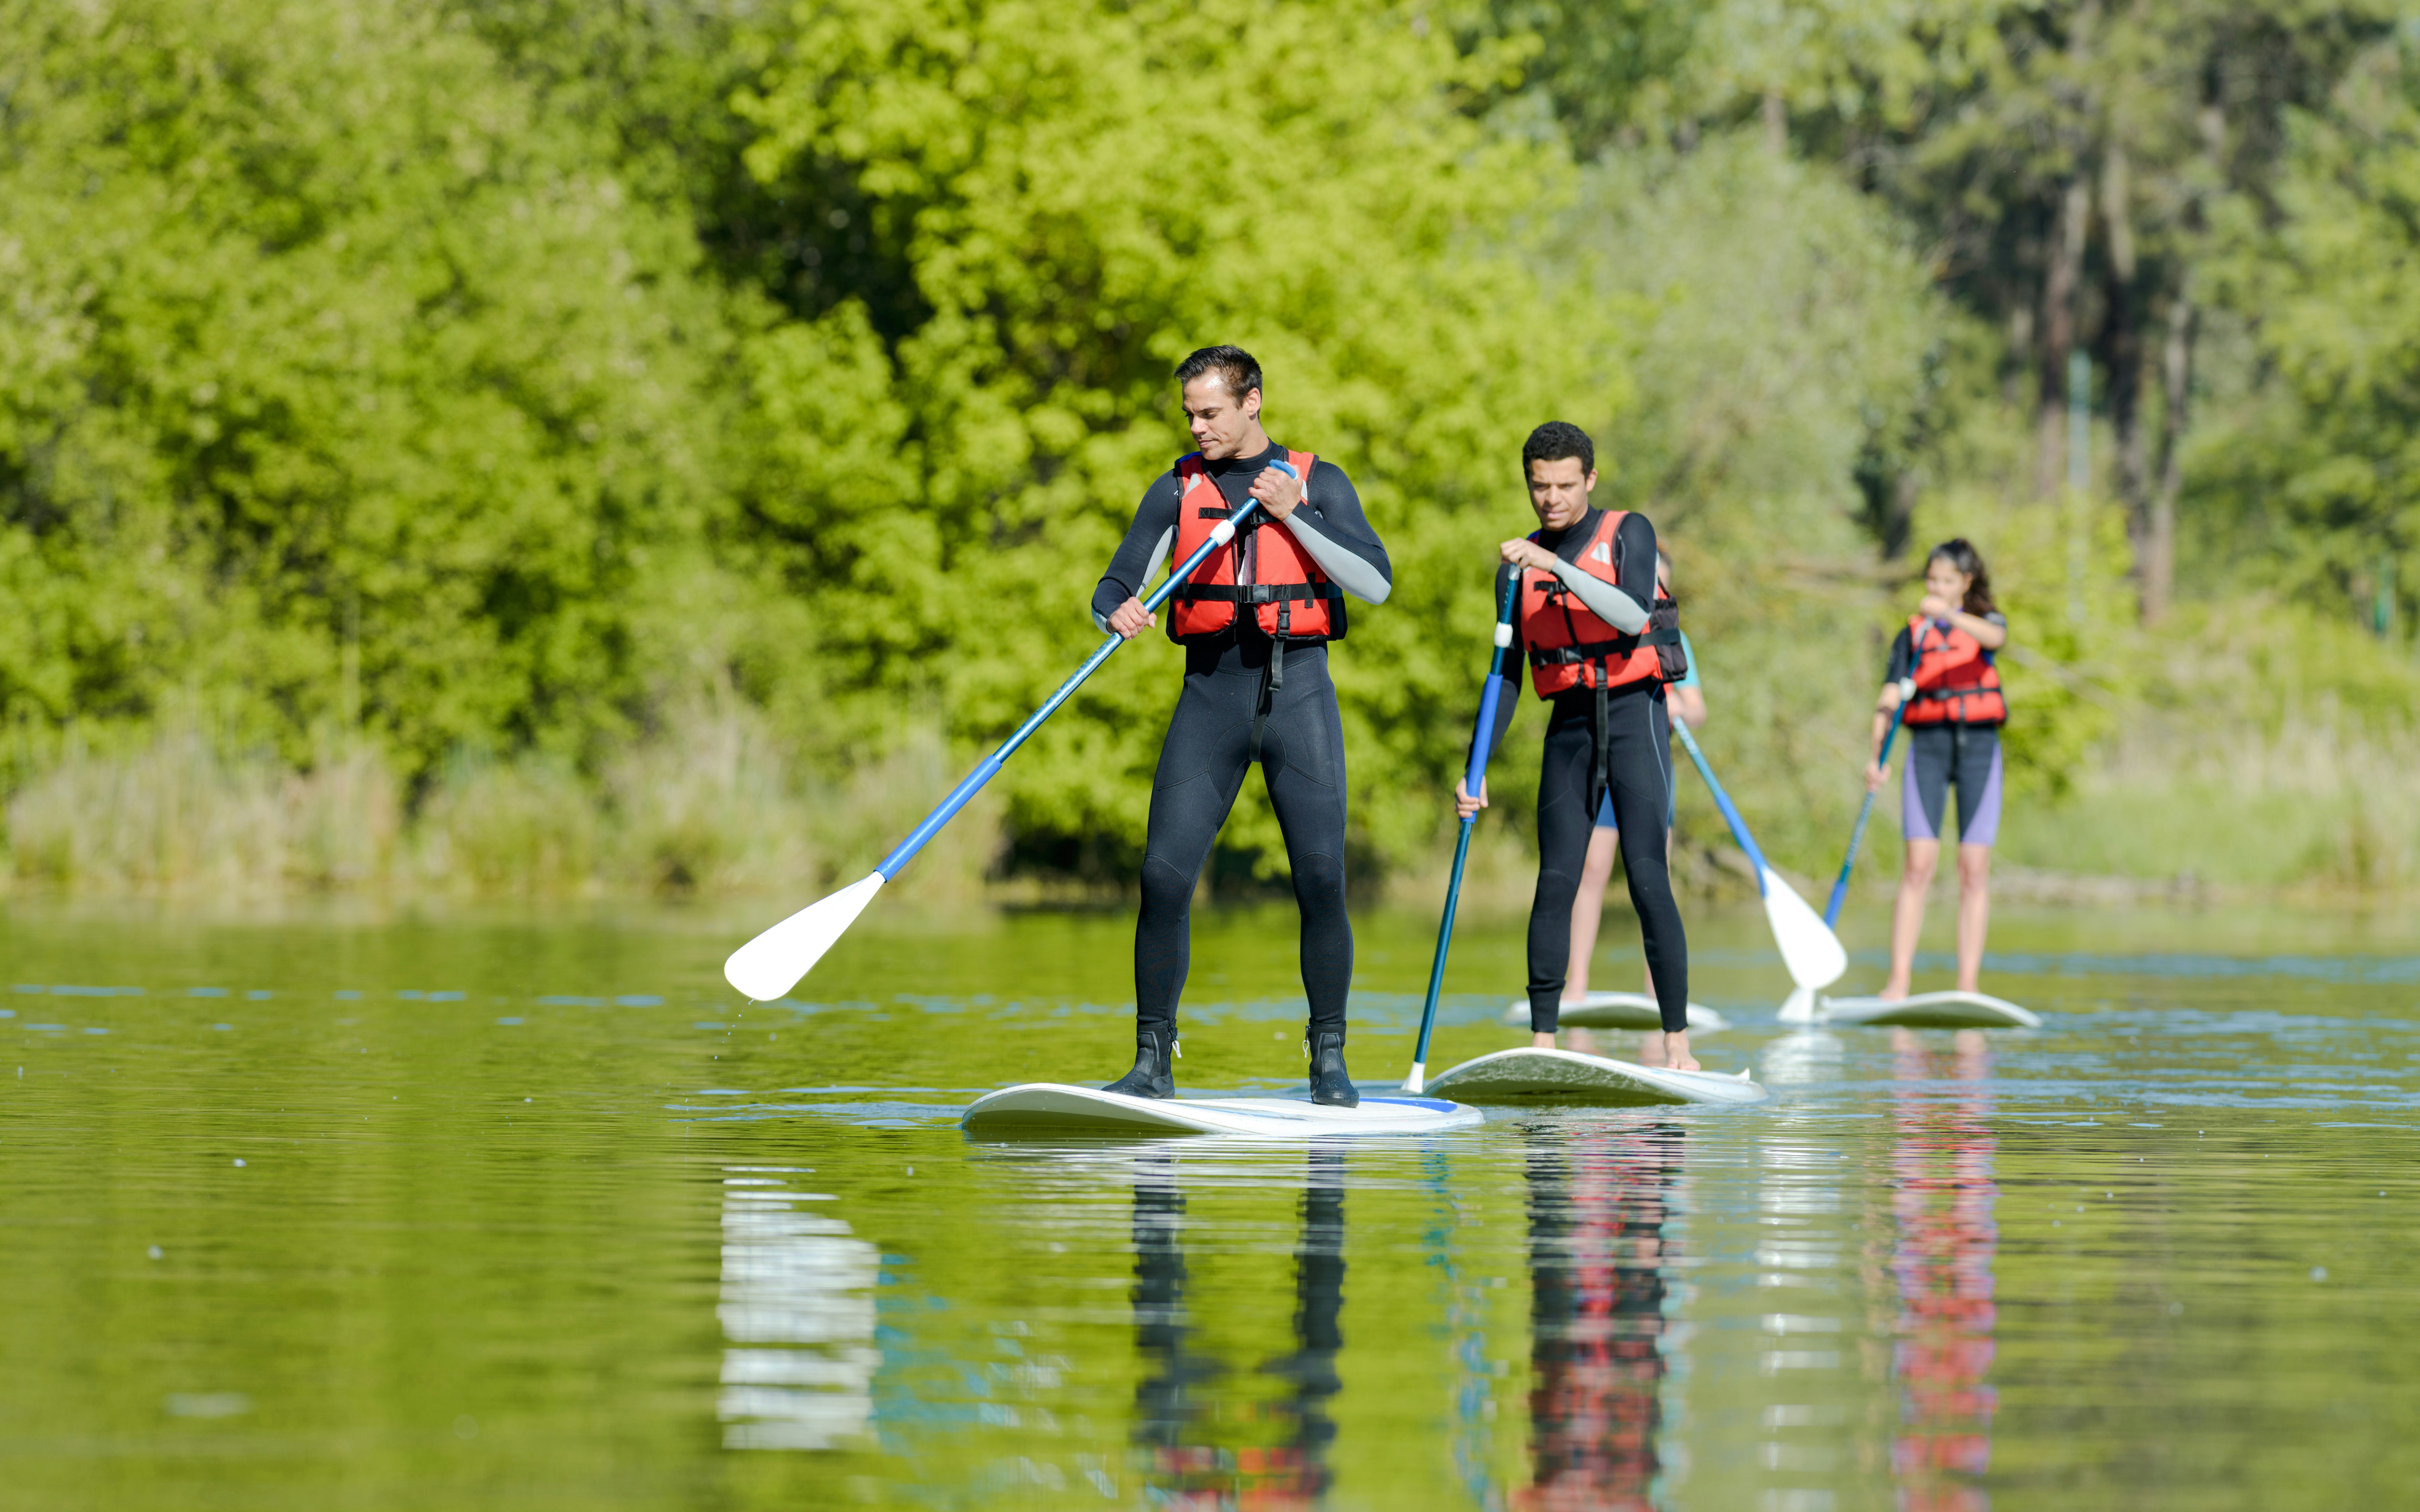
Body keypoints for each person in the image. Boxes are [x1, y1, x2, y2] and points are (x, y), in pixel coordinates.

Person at [1092, 346, 1393, 1104]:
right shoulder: (1176, 489)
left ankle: (1328, 1058)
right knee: (1161, 878)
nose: (1197, 426)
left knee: (1321, 878)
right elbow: (1116, 579)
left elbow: (1376, 582)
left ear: (1251, 401)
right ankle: (1151, 1060)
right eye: (1189, 413)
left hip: (1299, 699)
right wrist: (1114, 609)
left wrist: (1295, 512)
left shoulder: (1317, 480)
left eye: (1210, 412)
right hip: (1209, 698)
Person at [1454, 422, 1695, 1071]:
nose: (1551, 498)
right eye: (1539, 486)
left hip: (1633, 716)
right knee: (1555, 880)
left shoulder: (1628, 532)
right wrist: (1473, 768)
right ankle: (1543, 1043)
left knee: (1647, 878)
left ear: (1588, 479)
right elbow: (1504, 674)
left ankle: (1677, 1044)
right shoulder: (1514, 566)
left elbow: (1631, 615)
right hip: (1567, 726)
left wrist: (1555, 563)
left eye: (1564, 485)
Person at [1561, 544, 1704, 1067]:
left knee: (1652, 879)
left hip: (1649, 770)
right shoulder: (1601, 620)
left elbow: (1696, 707)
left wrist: (1673, 704)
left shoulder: (1673, 635)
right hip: (1599, 766)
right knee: (1592, 870)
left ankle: (1656, 995)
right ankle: (1575, 986)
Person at [1864, 538, 2007, 999]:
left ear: (1965, 584)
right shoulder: (1912, 633)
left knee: (1973, 867)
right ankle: (1899, 981)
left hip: (1979, 749)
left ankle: (1968, 984)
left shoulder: (1984, 621)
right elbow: (1889, 697)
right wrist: (1876, 753)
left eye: (1948, 581)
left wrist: (1947, 614)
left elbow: (1996, 640)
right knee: (1918, 864)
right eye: (1932, 580)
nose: (1938, 587)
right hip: (1928, 747)